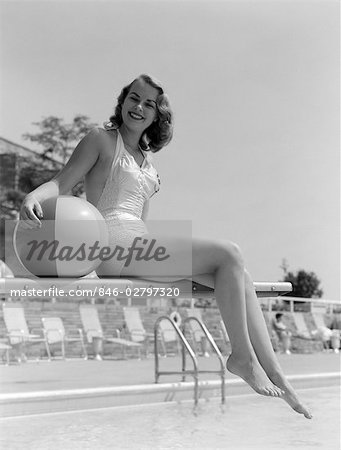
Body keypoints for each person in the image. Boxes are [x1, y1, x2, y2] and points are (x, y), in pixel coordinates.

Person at [20, 74, 312, 419]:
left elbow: (140, 221)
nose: (138, 107)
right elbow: (61, 182)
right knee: (229, 252)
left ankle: (276, 371)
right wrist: (33, 196)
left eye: (149, 103)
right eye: (133, 98)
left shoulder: (148, 163)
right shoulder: (101, 139)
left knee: (237, 273)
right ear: (122, 101)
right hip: (111, 244)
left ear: (158, 115)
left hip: (136, 244)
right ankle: (242, 358)